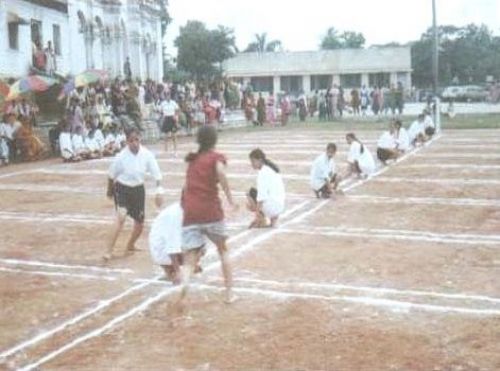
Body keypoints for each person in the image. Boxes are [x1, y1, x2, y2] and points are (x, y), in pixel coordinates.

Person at [179, 125, 238, 304]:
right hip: (210, 211)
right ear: (214, 140)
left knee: (190, 260)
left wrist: (186, 207)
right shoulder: (215, 158)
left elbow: (185, 188)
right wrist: (230, 199)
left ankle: (184, 286)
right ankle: (229, 293)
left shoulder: (193, 160)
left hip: (191, 212)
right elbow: (220, 172)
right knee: (223, 250)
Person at [104, 128, 163, 261]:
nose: (134, 143)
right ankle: (109, 250)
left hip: (138, 189)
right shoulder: (120, 157)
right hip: (122, 188)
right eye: (131, 141)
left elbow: (156, 173)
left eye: (137, 140)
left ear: (140, 139)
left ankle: (130, 244)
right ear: (127, 142)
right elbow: (111, 175)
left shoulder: (147, 154)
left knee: (140, 223)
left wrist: (159, 190)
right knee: (121, 216)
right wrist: (109, 192)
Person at [247, 149, 286, 228]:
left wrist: (257, 217)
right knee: (267, 195)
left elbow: (261, 198)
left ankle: (262, 221)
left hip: (273, 206)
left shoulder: (263, 173)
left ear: (260, 160)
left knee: (250, 194)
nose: (252, 164)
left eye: (253, 161)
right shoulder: (271, 168)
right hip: (280, 205)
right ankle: (273, 219)